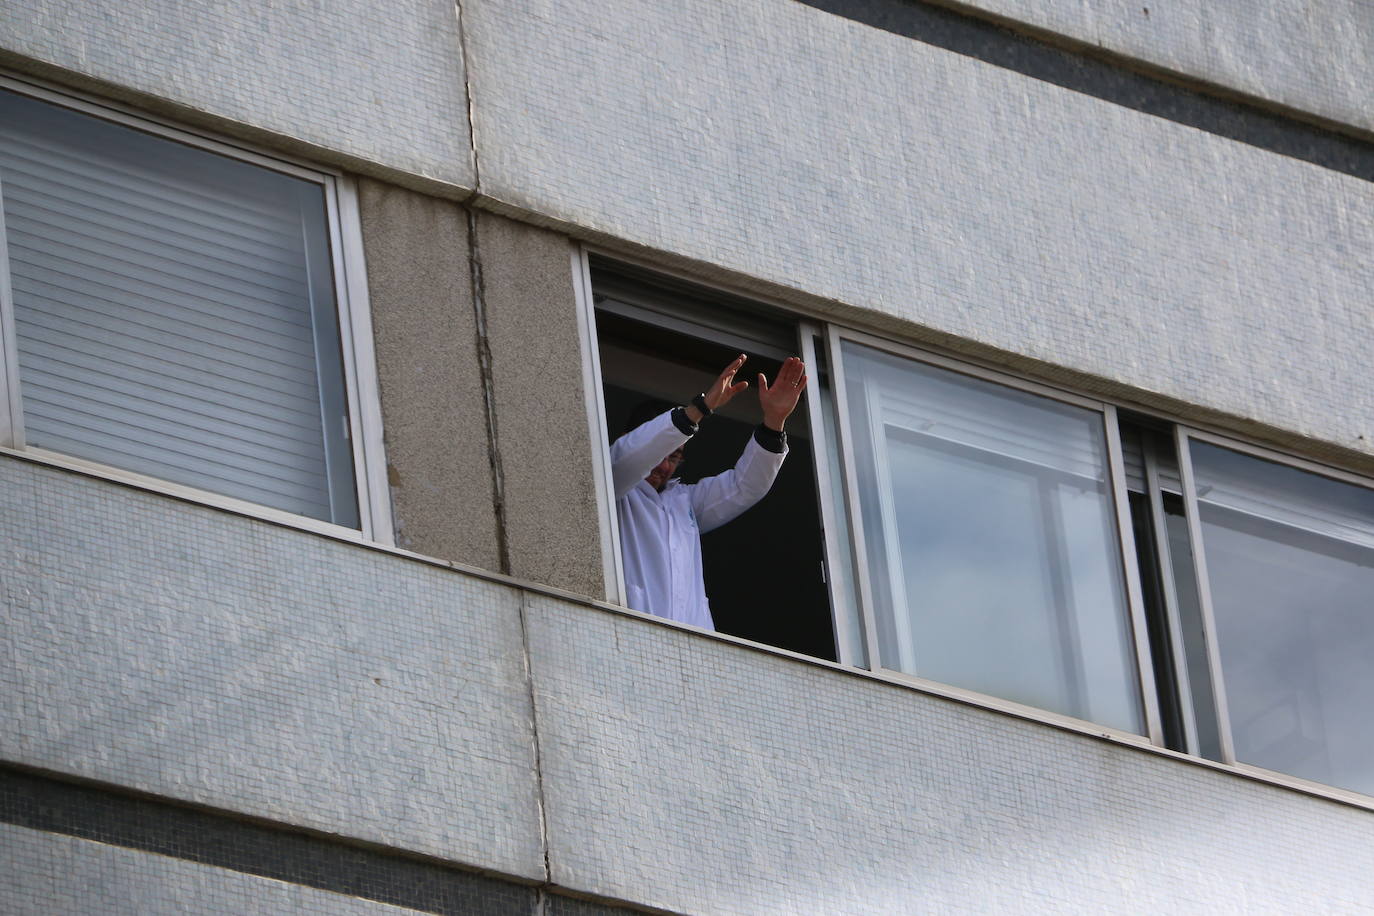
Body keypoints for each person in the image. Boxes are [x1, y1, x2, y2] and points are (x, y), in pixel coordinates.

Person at [610, 353, 808, 630]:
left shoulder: (684, 502)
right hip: (630, 636)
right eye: (661, 453)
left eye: (675, 456)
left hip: (691, 652)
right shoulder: (614, 485)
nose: (665, 466)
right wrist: (701, 408)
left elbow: (744, 486)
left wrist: (774, 421)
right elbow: (632, 454)